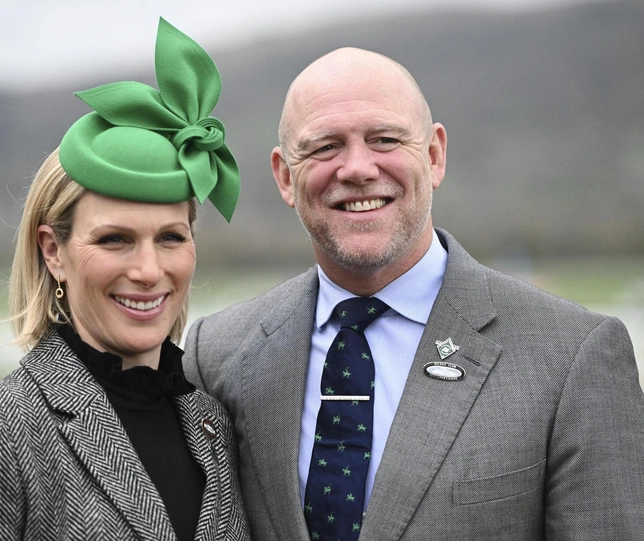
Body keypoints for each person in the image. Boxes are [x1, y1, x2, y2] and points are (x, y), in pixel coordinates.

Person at [182, 46, 644, 540]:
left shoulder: (572, 357)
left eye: (384, 139)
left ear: (434, 155)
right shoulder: (217, 355)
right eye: (325, 147)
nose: (357, 168)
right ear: (284, 176)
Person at [0, 18, 249, 541]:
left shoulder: (213, 427)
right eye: (115, 239)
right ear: (53, 251)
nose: (148, 271)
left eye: (170, 237)